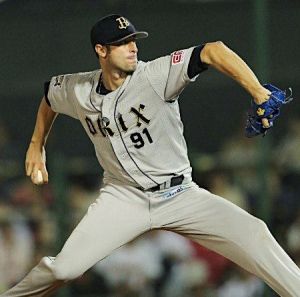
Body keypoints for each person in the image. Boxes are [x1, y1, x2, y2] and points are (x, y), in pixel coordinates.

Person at [1, 14, 299, 297]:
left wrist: (258, 91)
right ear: (101, 50)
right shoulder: (79, 89)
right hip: (123, 197)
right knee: (64, 269)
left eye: (134, 40)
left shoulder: (155, 75)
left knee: (254, 233)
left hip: (180, 195)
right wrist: (36, 144)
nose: (133, 47)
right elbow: (50, 96)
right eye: (122, 42)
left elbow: (213, 51)